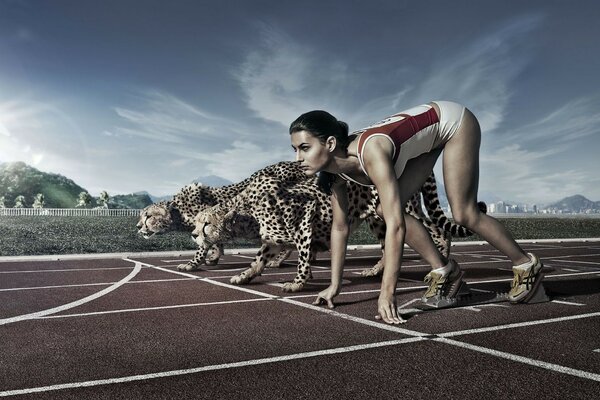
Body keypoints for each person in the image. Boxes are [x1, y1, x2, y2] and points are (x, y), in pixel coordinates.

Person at [289, 101, 544, 325]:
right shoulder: (334, 174)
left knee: (464, 213)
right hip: (428, 137)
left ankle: (526, 266)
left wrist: (387, 294)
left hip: (453, 122)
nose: (298, 157)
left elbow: (396, 227)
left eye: (304, 147)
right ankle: (446, 272)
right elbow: (340, 227)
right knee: (383, 209)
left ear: (330, 143)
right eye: (295, 150)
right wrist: (335, 285)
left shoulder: (372, 152)